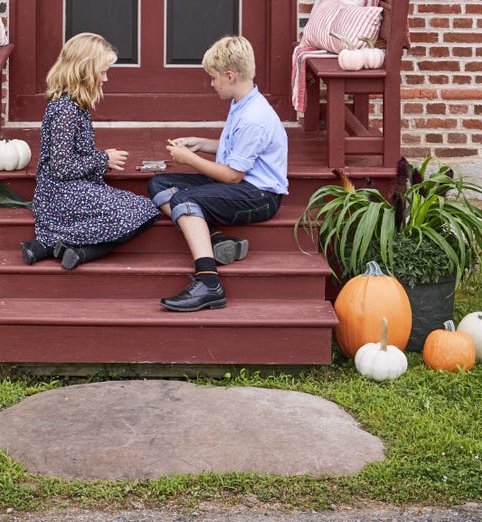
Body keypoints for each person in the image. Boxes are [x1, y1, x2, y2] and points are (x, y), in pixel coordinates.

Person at [147, 34, 288, 312]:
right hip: (241, 183)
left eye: (213, 78)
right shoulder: (242, 103)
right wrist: (199, 144)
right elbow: (234, 152)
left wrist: (190, 159)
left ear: (230, 75)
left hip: (258, 195)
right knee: (159, 183)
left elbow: (233, 175)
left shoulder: (254, 118)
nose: (211, 84)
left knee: (183, 200)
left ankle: (209, 282)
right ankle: (216, 239)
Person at [20, 32, 159, 269]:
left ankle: (47, 247)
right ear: (84, 71)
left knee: (139, 209)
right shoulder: (66, 111)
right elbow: (61, 167)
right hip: (61, 194)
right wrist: (103, 159)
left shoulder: (73, 105)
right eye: (102, 72)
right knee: (143, 210)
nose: (105, 79)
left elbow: (70, 155)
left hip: (69, 190)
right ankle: (76, 251)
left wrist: (98, 157)